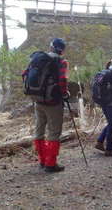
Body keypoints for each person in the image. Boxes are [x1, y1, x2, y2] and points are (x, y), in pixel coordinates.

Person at [33, 38, 70, 173]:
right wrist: (65, 94)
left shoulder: (38, 59)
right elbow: (62, 81)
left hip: (38, 99)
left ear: (51, 47)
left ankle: (42, 160)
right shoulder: (62, 62)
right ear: (62, 50)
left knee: (39, 130)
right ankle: (51, 163)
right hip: (53, 102)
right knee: (54, 132)